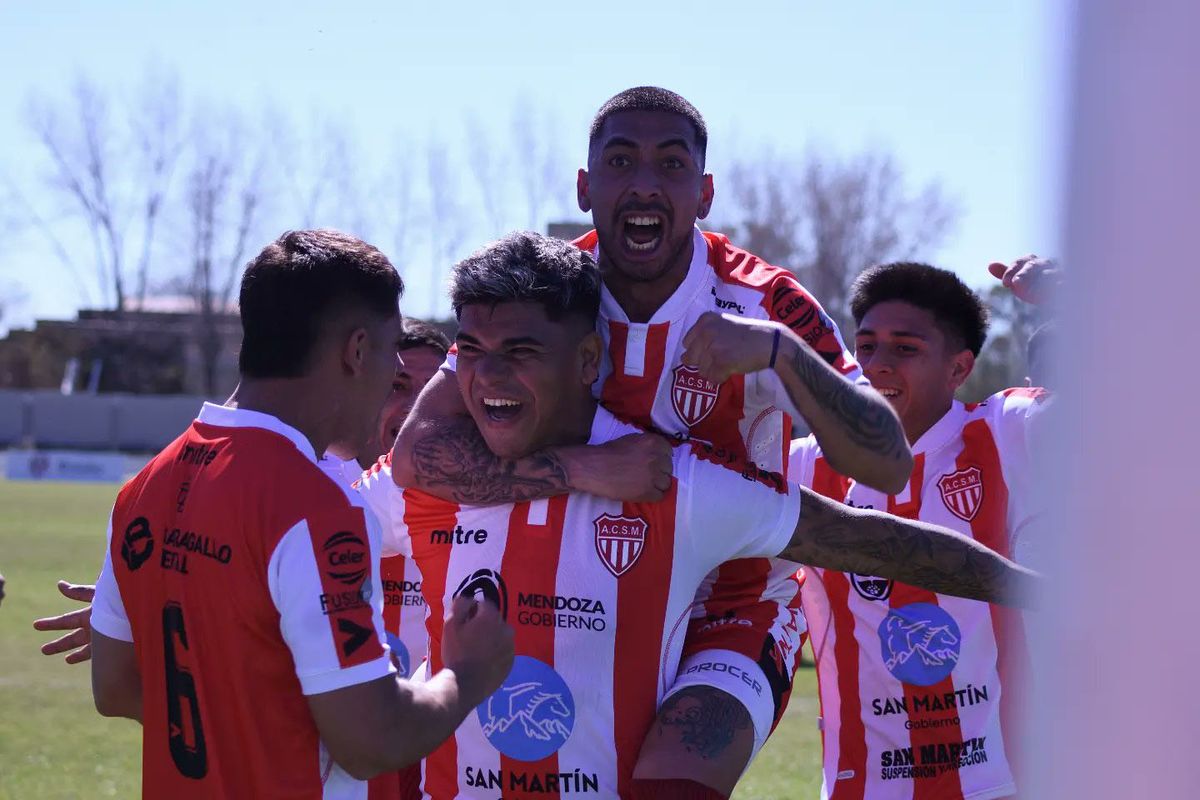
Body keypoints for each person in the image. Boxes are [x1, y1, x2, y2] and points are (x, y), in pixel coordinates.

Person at [368, 231, 1035, 799]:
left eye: (520, 353)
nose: (488, 378)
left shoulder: (675, 480)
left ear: (588, 361)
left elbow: (865, 538)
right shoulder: (427, 471)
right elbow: (310, 529)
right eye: (472, 354)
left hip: (738, 629)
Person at [390, 87, 912, 796]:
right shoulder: (547, 294)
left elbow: (885, 461)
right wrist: (587, 469)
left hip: (736, 604)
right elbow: (416, 454)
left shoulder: (766, 303)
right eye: (620, 161)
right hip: (597, 583)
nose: (643, 183)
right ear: (585, 187)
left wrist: (779, 354)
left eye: (670, 165)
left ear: (703, 193)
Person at [87, 229, 513, 797]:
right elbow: (370, 742)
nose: (392, 378)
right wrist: (468, 674)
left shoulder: (145, 484)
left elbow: (114, 687)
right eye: (391, 354)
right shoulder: (317, 511)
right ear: (356, 351)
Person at [786, 261, 1048, 799]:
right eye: (868, 347)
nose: (877, 366)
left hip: (1004, 784)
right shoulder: (804, 468)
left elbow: (1134, 410)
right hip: (864, 788)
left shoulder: (1007, 431)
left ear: (959, 369)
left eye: (904, 349)